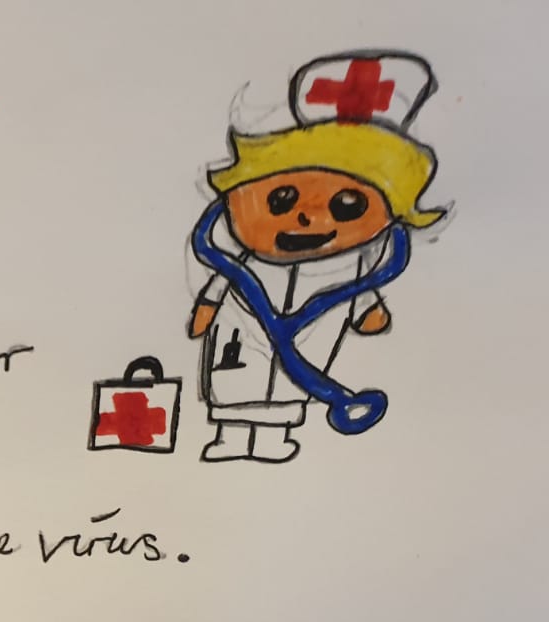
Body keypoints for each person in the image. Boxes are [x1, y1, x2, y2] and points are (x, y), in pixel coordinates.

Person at [187, 51, 447, 462]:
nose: (309, 216)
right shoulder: (241, 262)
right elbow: (221, 286)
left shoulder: (352, 270)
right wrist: (205, 310)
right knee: (235, 383)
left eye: (347, 205)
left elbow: (361, 300)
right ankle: (229, 438)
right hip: (239, 343)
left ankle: (273, 439)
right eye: (281, 199)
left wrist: (369, 313)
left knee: (286, 393)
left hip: (305, 359)